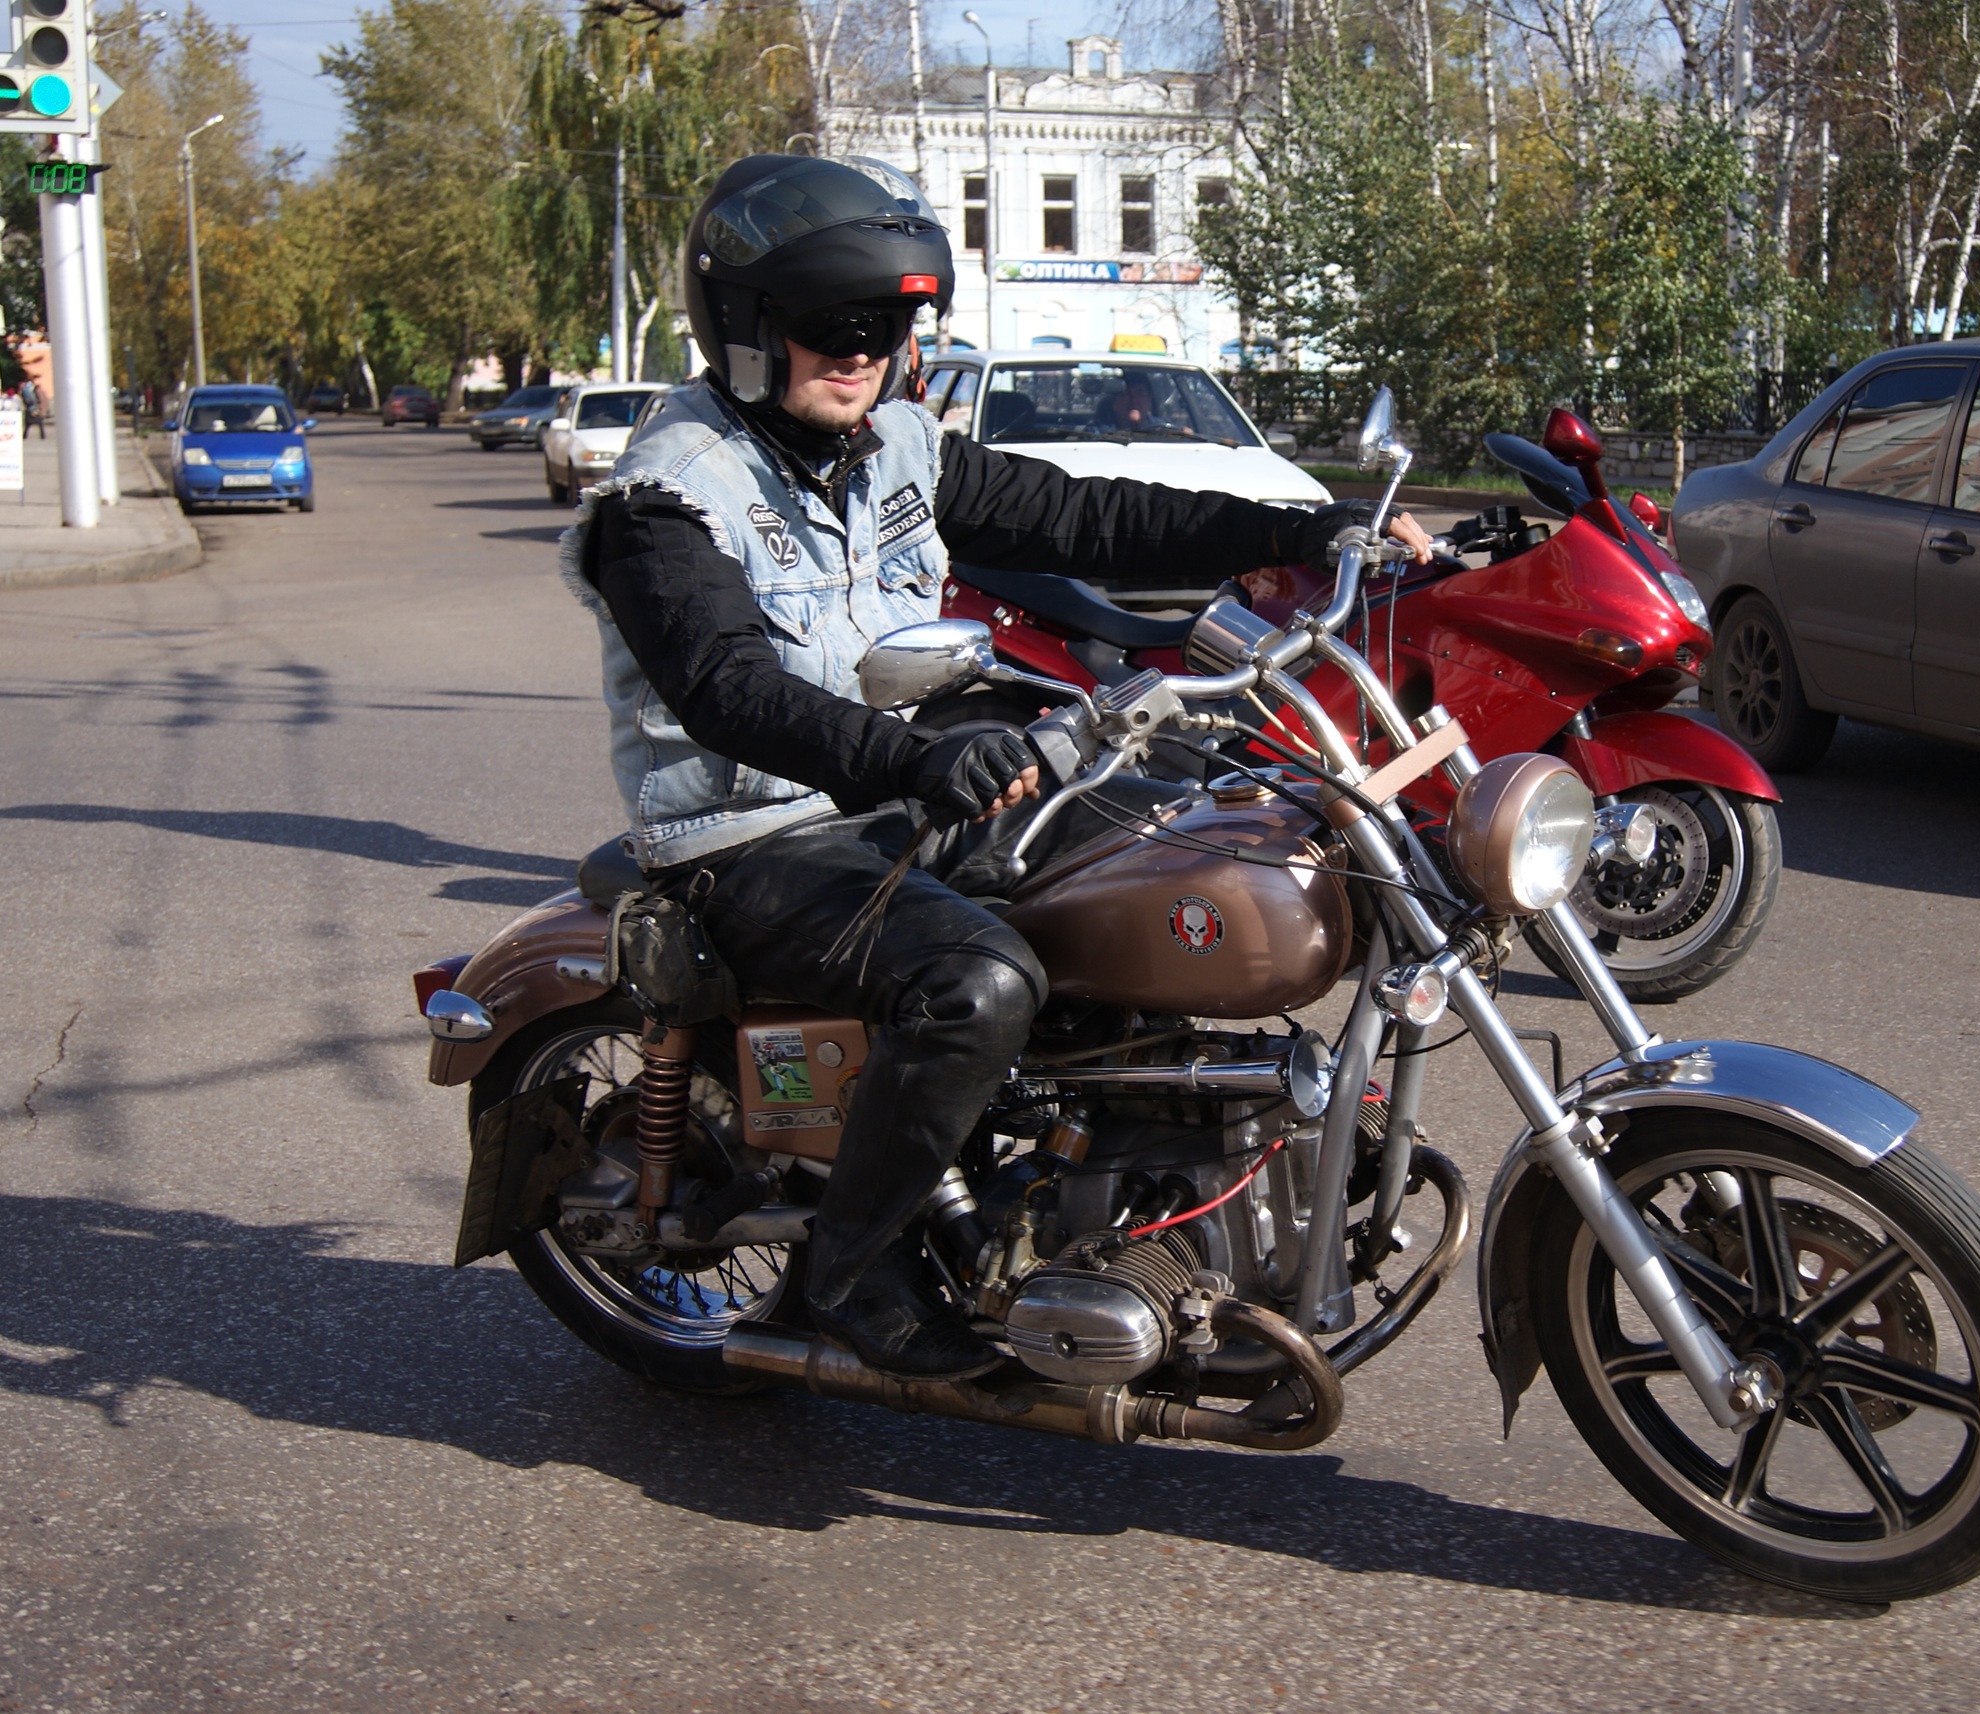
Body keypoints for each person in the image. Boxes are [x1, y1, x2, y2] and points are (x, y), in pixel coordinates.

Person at [558, 154, 1427, 1380]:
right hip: (754, 837)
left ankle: (1116, 1172)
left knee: (1207, 842)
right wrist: (911, 756)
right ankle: (847, 1276)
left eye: (888, 326)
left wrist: (1308, 529)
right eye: (834, 327)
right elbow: (726, 690)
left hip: (903, 798)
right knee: (977, 983)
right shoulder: (666, 498)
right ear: (749, 325)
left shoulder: (896, 444)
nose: (865, 353)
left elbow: (1089, 516)